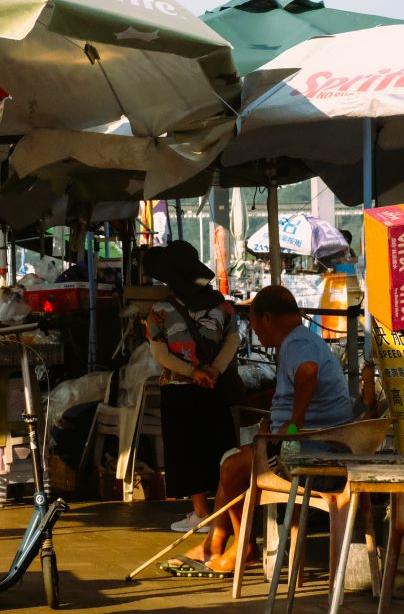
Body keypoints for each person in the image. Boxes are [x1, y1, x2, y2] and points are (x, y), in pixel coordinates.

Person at [196, 285, 354, 574]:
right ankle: (219, 540)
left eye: (254, 323)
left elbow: (308, 372)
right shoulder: (301, 340)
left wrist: (292, 426)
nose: (255, 331)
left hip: (312, 448)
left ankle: (243, 546)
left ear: (267, 318)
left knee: (232, 468)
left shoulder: (297, 344)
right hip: (318, 443)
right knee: (232, 460)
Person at [144, 241, 241, 550]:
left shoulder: (159, 311)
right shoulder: (222, 305)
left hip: (179, 391)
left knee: (186, 451)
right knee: (220, 450)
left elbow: (160, 354)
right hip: (215, 389)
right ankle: (224, 512)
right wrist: (213, 370)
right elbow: (234, 340)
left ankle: (200, 513)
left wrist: (191, 373)